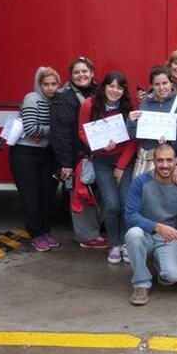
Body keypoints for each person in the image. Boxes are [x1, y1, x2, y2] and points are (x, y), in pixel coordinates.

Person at [124, 143, 177, 306]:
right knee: (133, 234)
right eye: (160, 160)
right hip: (145, 233)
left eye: (169, 160)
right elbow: (130, 215)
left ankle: (159, 264)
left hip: (169, 238)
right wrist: (157, 226)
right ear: (153, 160)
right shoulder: (140, 182)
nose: (165, 165)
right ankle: (141, 284)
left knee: (174, 276)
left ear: (176, 161)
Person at [78, 71, 136, 264]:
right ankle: (114, 244)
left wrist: (121, 166)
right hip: (101, 161)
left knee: (127, 203)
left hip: (123, 160)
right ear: (103, 86)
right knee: (112, 205)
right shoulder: (90, 104)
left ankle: (126, 243)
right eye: (111, 86)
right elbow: (82, 132)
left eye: (119, 87)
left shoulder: (127, 108)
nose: (115, 90)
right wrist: (99, 145)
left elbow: (133, 140)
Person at [50, 56, 108, 249]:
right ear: (71, 76)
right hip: (77, 157)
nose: (81, 75)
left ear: (92, 73)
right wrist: (66, 163)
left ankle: (95, 232)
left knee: (94, 195)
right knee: (81, 197)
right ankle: (87, 237)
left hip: (96, 154)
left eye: (85, 71)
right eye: (76, 72)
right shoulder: (63, 97)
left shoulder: (99, 93)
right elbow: (61, 133)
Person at [9, 66, 61, 252]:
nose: (50, 88)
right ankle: (36, 234)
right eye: (45, 84)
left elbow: (40, 129)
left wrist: (49, 134)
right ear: (39, 85)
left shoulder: (57, 100)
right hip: (25, 154)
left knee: (46, 195)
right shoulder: (32, 99)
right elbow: (31, 129)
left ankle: (45, 231)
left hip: (46, 153)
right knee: (31, 196)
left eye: (54, 84)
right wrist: (57, 132)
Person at [127, 66, 177, 176]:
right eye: (157, 84)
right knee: (140, 190)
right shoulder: (145, 103)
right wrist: (131, 122)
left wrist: (171, 143)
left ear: (171, 83)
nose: (161, 87)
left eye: (165, 83)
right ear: (152, 86)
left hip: (168, 158)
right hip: (146, 157)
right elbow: (136, 137)